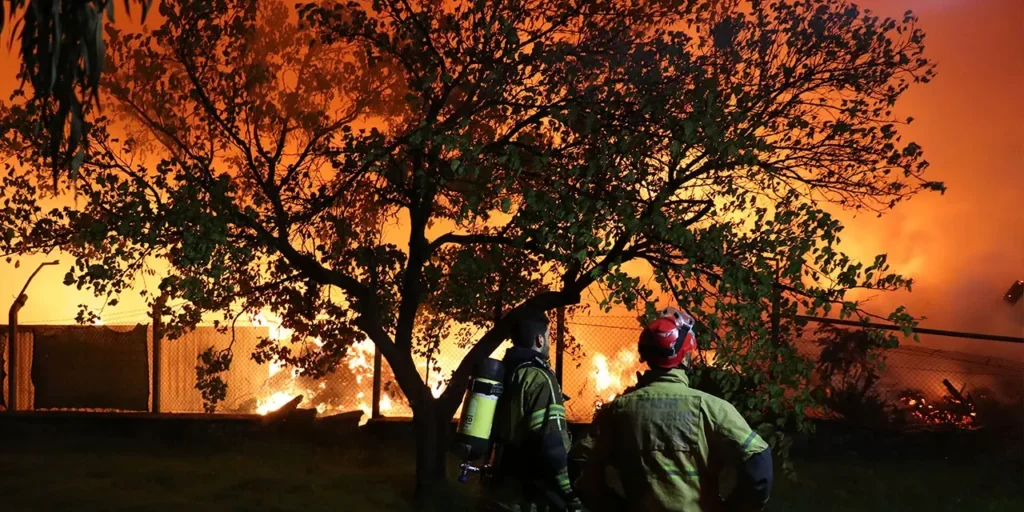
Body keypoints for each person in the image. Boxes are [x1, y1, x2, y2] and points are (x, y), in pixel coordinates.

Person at [569, 307, 773, 512]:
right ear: (685, 357)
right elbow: (759, 464)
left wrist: (613, 507)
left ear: (646, 354)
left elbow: (579, 463)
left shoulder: (617, 411)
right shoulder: (712, 409)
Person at [479, 309, 583, 512]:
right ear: (539, 339)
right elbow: (553, 445)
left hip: (498, 490)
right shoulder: (539, 378)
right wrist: (572, 495)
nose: (549, 342)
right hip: (528, 497)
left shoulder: (503, 371)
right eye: (548, 336)